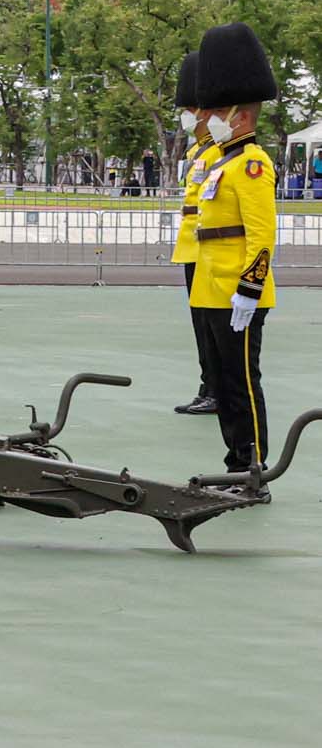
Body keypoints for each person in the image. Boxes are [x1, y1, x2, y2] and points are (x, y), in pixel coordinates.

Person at [188, 23, 280, 476]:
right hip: (209, 286)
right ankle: (234, 461)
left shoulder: (252, 164)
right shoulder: (221, 161)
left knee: (243, 382)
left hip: (236, 289)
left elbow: (262, 234)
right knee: (223, 384)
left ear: (240, 117)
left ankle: (254, 465)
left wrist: (250, 287)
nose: (209, 121)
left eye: (217, 113)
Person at [168, 54, 217, 415]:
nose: (185, 114)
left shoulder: (217, 150)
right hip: (191, 247)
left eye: (189, 108)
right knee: (200, 326)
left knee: (211, 327)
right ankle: (207, 386)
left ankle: (216, 389)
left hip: (208, 248)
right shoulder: (197, 149)